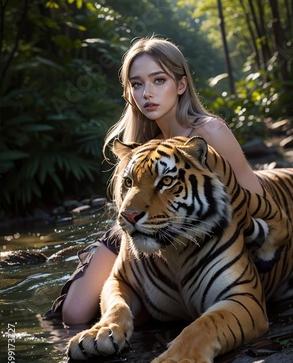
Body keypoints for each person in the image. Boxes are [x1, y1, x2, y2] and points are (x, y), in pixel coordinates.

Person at [45, 36, 264, 325]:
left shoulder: (209, 133)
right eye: (137, 84)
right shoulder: (139, 141)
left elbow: (256, 201)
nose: (147, 93)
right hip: (132, 231)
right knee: (73, 314)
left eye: (158, 80)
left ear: (181, 85)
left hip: (190, 234)